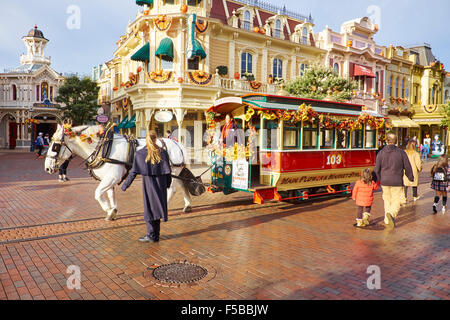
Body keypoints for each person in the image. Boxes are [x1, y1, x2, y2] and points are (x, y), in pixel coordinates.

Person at [121, 130, 172, 242]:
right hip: (161, 184)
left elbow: (133, 172)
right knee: (157, 208)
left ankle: (151, 235)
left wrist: (125, 185)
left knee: (149, 208)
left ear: (146, 139)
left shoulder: (140, 154)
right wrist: (167, 184)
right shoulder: (162, 152)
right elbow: (168, 172)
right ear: (156, 138)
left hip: (149, 184)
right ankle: (155, 235)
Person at [374, 132, 414, 228]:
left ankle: (387, 219)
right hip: (397, 180)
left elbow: (377, 168)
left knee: (387, 200)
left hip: (385, 181)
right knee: (397, 200)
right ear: (396, 141)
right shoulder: (401, 153)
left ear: (387, 141)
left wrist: (375, 179)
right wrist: (410, 177)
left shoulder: (381, 153)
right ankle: (391, 214)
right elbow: (407, 166)